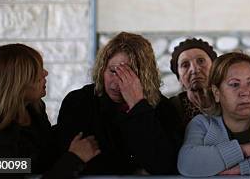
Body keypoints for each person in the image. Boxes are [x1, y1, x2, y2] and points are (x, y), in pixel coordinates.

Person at [56, 32, 182, 175]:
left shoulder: (162, 108)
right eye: (113, 71)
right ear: (102, 69)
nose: (117, 83)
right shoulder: (79, 102)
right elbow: (63, 160)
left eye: (127, 74)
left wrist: (138, 105)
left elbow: (164, 166)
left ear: (144, 76)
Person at [0, 44, 99, 178]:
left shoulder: (33, 109)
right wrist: (74, 159)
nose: (45, 73)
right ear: (16, 83)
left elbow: (34, 162)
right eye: (36, 70)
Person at [169, 37, 218, 135]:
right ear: (179, 78)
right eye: (185, 65)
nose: (194, 70)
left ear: (215, 68)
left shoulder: (227, 102)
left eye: (201, 61)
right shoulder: (170, 110)